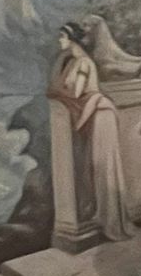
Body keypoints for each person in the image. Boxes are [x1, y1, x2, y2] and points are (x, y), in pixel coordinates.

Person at [48, 20, 133, 242]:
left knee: (103, 168)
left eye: (62, 37)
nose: (59, 41)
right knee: (96, 169)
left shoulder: (83, 62)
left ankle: (112, 221)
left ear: (71, 39)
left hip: (101, 115)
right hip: (94, 115)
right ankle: (105, 217)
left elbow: (76, 94)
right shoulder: (72, 62)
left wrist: (56, 92)